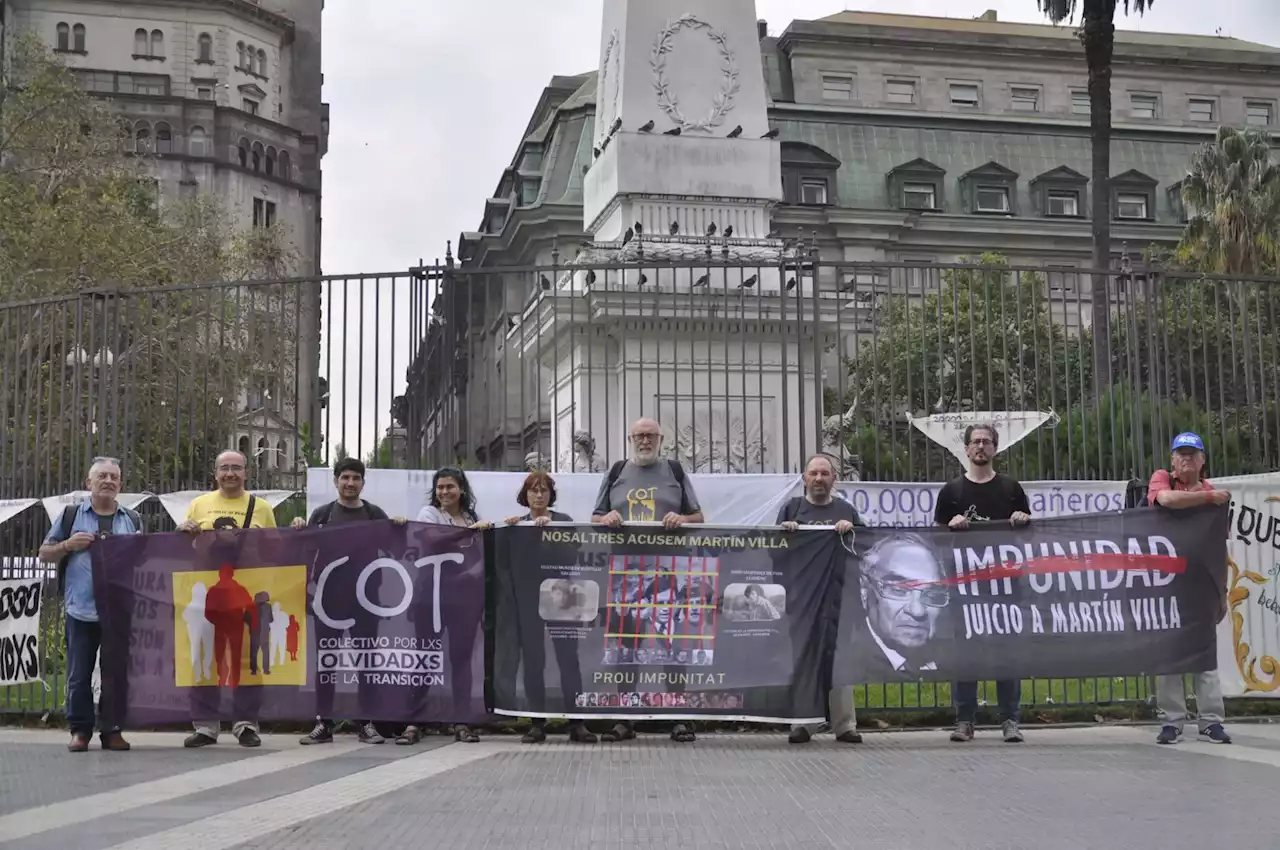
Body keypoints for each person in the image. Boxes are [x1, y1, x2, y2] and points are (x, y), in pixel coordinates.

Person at [591, 417, 703, 744]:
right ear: (630, 438)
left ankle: (679, 719)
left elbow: (698, 517)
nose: (644, 441)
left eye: (650, 435)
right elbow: (595, 517)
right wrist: (606, 517)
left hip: (669, 572)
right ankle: (626, 719)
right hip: (626, 574)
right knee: (628, 647)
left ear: (660, 439)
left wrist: (681, 518)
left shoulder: (675, 471)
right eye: (639, 435)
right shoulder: (615, 472)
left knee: (672, 647)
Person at [294, 457, 404, 746]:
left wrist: (400, 526)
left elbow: (395, 548)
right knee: (326, 662)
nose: (350, 483)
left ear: (363, 483)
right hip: (329, 600)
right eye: (345, 478)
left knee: (366, 662)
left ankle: (366, 723)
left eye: (356, 478)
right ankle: (323, 724)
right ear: (336, 481)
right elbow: (305, 551)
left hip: (366, 601)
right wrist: (298, 527)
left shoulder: (374, 513)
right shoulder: (322, 514)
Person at [39, 457, 144, 753]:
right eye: (102, 476)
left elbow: (143, 561)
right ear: (89, 483)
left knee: (116, 674)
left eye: (114, 477)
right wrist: (67, 545)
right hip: (80, 609)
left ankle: (112, 730)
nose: (109, 481)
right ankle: (80, 730)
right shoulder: (71, 516)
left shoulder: (132, 520)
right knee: (78, 674)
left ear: (120, 485)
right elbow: (44, 553)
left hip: (119, 611)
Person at [933, 424, 1030, 744]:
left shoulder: (1011, 489)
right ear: (966, 449)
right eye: (975, 442)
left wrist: (1021, 521)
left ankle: (1010, 720)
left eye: (986, 442)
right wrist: (951, 527)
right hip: (966, 589)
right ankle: (964, 720)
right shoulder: (952, 492)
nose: (980, 447)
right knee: (966, 655)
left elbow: (1028, 535)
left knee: (1007, 654)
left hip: (1005, 587)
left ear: (995, 449)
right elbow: (936, 540)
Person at [178, 449, 275, 749]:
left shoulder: (262, 508)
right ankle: (206, 727)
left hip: (248, 598)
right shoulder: (198, 505)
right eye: (224, 468)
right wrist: (183, 531)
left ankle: (246, 725)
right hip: (208, 597)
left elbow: (275, 550)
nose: (230, 473)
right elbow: (185, 549)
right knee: (205, 661)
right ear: (215, 473)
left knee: (248, 663)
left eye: (236, 468)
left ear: (246, 472)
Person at [1148, 432, 1233, 745]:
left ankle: (1211, 721)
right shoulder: (1163, 481)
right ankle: (1172, 721)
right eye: (1180, 454)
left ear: (1202, 460)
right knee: (1170, 654)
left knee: (1205, 655)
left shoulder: (1214, 494)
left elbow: (1218, 549)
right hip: (1166, 581)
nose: (1186, 459)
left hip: (1201, 584)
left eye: (1192, 454)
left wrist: (1222, 592)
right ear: (1172, 460)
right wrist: (1209, 499)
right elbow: (1167, 501)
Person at [503, 471, 597, 744]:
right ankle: (536, 723)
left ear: (550, 495)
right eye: (534, 490)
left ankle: (577, 723)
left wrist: (552, 531)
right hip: (529, 599)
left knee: (568, 658)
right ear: (526, 495)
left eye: (544, 490)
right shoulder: (517, 524)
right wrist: (514, 533)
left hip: (562, 596)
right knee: (534, 660)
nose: (539, 494)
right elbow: (510, 563)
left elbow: (573, 554)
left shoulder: (564, 521)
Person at [400, 467, 489, 745]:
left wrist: (474, 569)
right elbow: (431, 539)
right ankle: (414, 723)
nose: (444, 492)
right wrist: (468, 533)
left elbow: (478, 554)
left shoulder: (471, 517)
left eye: (450, 486)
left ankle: (462, 721)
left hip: (464, 598)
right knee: (424, 659)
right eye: (440, 487)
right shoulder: (429, 514)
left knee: (461, 661)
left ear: (461, 488)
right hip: (432, 597)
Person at [778, 454, 863, 746]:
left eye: (824, 474)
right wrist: (786, 533)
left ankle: (844, 725)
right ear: (804, 479)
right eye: (813, 473)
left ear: (833, 479)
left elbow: (864, 550)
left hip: (839, 597)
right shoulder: (791, 509)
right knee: (804, 659)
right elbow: (775, 552)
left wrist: (849, 532)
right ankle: (804, 723)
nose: (818, 479)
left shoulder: (846, 510)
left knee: (840, 661)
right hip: (802, 598)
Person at [858, 534, 947, 674]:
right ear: (864, 590)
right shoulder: (846, 664)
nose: (918, 611)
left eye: (932, 594)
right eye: (898, 590)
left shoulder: (952, 662)